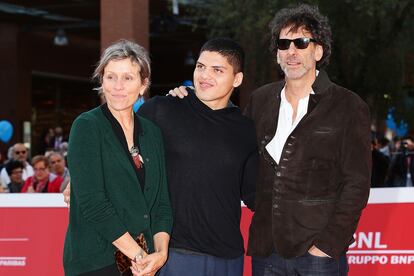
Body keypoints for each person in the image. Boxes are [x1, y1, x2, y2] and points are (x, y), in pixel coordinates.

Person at [244, 4, 371, 275]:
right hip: (266, 250)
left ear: (318, 51)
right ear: (277, 53)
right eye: (284, 43)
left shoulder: (348, 105)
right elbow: (236, 151)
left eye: (301, 43)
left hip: (318, 255)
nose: (291, 52)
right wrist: (186, 102)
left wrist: (327, 245)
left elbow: (357, 184)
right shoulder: (261, 100)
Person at [138, 38, 258, 276]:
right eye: (201, 67)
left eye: (217, 70)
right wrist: (79, 178)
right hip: (172, 254)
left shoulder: (246, 130)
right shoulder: (162, 109)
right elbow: (117, 145)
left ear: (237, 79)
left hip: (228, 257)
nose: (205, 75)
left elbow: (255, 195)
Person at [63, 40, 172, 276]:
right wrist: (141, 256)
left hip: (142, 263)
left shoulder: (152, 132)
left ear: (143, 85)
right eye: (111, 77)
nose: (117, 86)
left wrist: (161, 255)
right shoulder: (86, 126)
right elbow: (93, 204)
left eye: (128, 78)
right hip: (96, 262)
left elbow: (162, 203)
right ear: (101, 80)